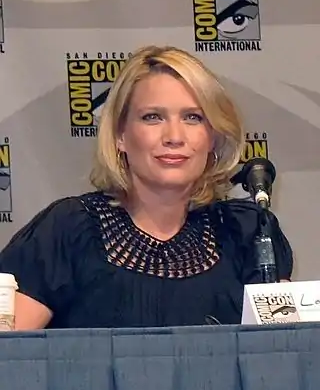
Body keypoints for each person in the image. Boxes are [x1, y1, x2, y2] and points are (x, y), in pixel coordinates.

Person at [0, 45, 293, 330]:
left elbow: (282, 357)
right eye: (153, 117)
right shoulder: (68, 230)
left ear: (213, 136)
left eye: (193, 117)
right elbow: (14, 359)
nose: (174, 136)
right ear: (120, 135)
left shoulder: (249, 231)